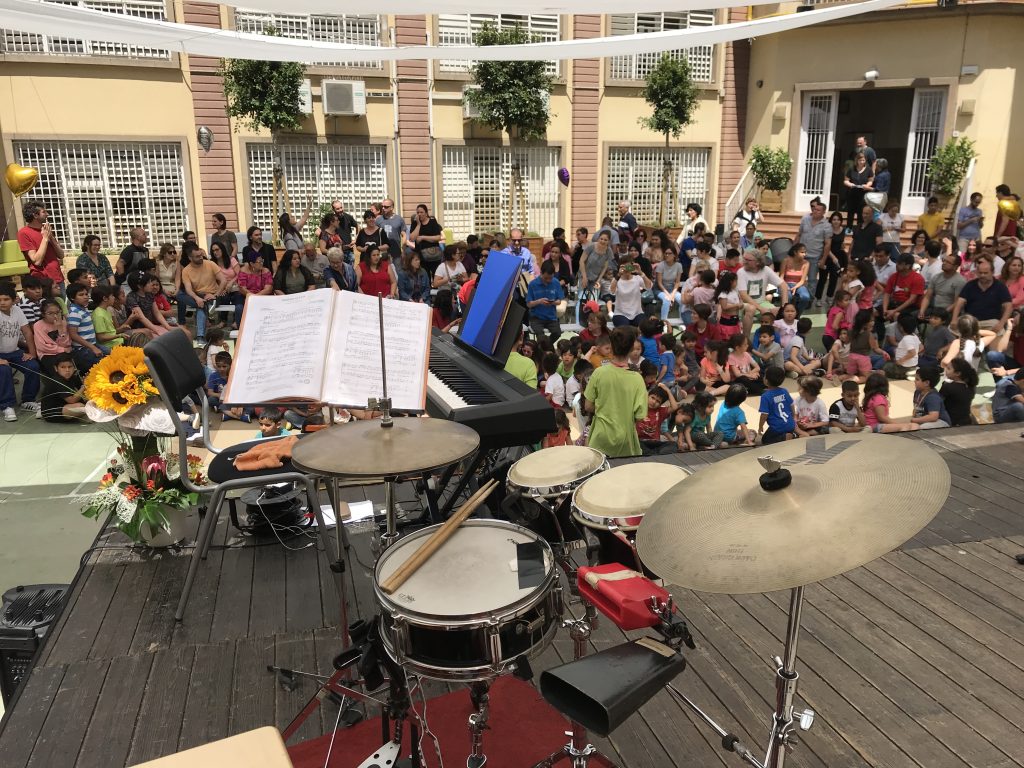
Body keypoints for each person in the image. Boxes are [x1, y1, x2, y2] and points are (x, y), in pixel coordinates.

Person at [584, 326, 647, 458]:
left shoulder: (599, 373)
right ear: (631, 348)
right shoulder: (637, 379)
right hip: (625, 439)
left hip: (600, 436)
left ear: (611, 346)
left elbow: (588, 406)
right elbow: (640, 416)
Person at [0, 283, 41, 420]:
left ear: (13, 300)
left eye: (6, 299)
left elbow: (27, 332)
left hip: (14, 351)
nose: (2, 302)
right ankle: (6, 406)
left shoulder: (17, 310)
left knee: (33, 366)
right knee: (3, 370)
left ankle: (28, 400)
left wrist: (32, 353)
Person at [178, 243, 229, 343]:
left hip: (213, 295)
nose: (201, 257)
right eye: (197, 256)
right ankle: (204, 305)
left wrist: (215, 295)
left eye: (201, 255)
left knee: (201, 306)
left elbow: (223, 280)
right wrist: (197, 298)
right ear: (190, 258)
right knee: (179, 295)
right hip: (198, 296)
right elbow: (188, 289)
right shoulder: (186, 270)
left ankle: (200, 336)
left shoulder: (210, 264)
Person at [951, 257, 1013, 334]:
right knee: (952, 328)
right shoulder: (970, 285)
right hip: (970, 321)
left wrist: (1001, 323)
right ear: (977, 273)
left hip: (991, 322)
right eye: (980, 273)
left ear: (992, 272)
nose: (982, 275)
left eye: (985, 273)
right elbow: (959, 303)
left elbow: (1008, 307)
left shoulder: (1000, 287)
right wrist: (954, 319)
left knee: (1000, 331)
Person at [18, 200, 66, 292]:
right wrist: (45, 238)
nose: (47, 214)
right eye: (44, 212)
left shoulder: (46, 230)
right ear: (35, 215)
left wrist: (51, 237)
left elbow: (61, 255)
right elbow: (37, 261)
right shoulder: (24, 233)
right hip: (42, 281)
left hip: (58, 278)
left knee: (62, 301)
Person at [737, 250, 788, 335]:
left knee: (780, 311)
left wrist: (784, 306)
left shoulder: (766, 270)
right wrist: (761, 309)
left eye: (748, 260)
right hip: (744, 304)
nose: (744, 261)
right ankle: (745, 338)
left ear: (757, 262)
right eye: (744, 259)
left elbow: (783, 286)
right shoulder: (741, 272)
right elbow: (743, 295)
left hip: (762, 302)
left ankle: (771, 337)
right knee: (751, 309)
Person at [65, 282, 105, 372]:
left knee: (112, 353)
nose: (85, 297)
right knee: (104, 364)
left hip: (92, 345)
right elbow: (73, 334)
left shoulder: (83, 309)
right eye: (81, 295)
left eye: (86, 294)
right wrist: (92, 348)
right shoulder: (75, 313)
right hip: (82, 349)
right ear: (72, 298)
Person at [796, 197, 830, 299]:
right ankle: (796, 298)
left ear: (823, 212)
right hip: (800, 256)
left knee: (811, 280)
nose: (815, 211)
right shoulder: (805, 219)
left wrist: (823, 259)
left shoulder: (827, 225)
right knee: (797, 277)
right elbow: (799, 234)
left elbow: (827, 244)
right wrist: (792, 250)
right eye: (814, 209)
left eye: (818, 210)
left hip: (814, 257)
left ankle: (809, 300)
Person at [845, 309, 888, 383]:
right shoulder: (869, 335)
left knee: (850, 374)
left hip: (852, 357)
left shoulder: (850, 332)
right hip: (863, 358)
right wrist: (883, 352)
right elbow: (875, 349)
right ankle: (853, 380)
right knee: (866, 377)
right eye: (871, 320)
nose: (873, 322)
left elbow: (846, 341)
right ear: (865, 323)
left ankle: (842, 377)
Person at [919, 251, 966, 318]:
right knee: (912, 316)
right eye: (944, 260)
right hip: (934, 309)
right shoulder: (936, 277)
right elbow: (927, 297)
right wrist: (922, 311)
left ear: (955, 267)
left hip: (949, 312)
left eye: (948, 262)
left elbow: (957, 303)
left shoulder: (960, 281)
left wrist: (943, 313)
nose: (944, 263)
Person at [526, 261, 565, 343]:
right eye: (546, 278)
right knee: (541, 336)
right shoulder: (532, 284)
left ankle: (546, 346)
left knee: (557, 333)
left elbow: (559, 301)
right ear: (541, 273)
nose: (548, 280)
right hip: (536, 318)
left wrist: (552, 302)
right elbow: (529, 304)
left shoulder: (556, 282)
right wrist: (539, 301)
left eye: (550, 278)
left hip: (551, 317)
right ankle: (545, 346)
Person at [32, 299, 72, 377]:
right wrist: (62, 349)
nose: (55, 316)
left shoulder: (63, 322)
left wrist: (60, 329)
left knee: (72, 365)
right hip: (47, 353)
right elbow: (42, 346)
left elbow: (67, 343)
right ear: (43, 314)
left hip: (64, 351)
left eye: (57, 312)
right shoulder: (38, 325)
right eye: (50, 313)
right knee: (58, 370)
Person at [636, 384, 679, 456]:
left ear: (660, 404)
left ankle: (652, 454)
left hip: (655, 442)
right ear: (647, 396)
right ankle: (655, 455)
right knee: (638, 446)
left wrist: (668, 391)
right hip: (640, 442)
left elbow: (674, 407)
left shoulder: (660, 411)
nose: (654, 402)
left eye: (658, 401)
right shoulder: (639, 407)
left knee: (673, 444)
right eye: (652, 398)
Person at [758, 366, 797, 444]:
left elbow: (764, 414)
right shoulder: (784, 391)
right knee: (777, 432)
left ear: (766, 380)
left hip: (777, 427)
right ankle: (792, 434)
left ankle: (785, 437)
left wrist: (760, 426)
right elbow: (792, 405)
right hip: (790, 424)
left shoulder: (765, 396)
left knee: (765, 440)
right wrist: (793, 417)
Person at [816, 211, 848, 306]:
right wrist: (832, 257)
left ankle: (829, 297)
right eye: (834, 219)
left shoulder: (843, 230)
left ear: (841, 221)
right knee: (822, 279)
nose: (836, 221)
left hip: (838, 257)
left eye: (838, 219)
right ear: (831, 220)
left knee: (834, 278)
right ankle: (818, 298)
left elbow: (841, 242)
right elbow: (825, 245)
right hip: (826, 256)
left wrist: (843, 247)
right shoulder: (827, 230)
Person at [579, 230, 616, 310]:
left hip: (595, 278)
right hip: (584, 275)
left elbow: (605, 267)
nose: (603, 241)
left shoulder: (608, 251)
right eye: (601, 239)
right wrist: (584, 277)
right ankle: (580, 316)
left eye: (605, 240)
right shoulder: (591, 246)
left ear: (608, 241)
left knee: (593, 301)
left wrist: (599, 280)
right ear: (598, 238)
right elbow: (581, 261)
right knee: (582, 299)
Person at [882, 253, 926, 322]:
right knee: (875, 312)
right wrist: (884, 310)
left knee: (897, 315)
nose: (896, 265)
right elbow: (887, 294)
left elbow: (912, 300)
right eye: (897, 262)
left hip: (910, 306)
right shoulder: (893, 276)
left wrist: (894, 311)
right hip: (895, 303)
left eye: (900, 264)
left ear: (908, 266)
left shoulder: (917, 278)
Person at [610, 259, 650, 328]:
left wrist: (641, 273)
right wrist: (619, 275)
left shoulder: (637, 278)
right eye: (624, 267)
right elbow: (612, 291)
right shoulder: (617, 279)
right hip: (620, 314)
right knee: (625, 328)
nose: (627, 269)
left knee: (644, 327)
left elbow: (649, 286)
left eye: (629, 267)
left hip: (637, 313)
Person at [940, 357, 977, 427]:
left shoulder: (947, 387)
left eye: (948, 368)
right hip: (966, 420)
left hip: (950, 421)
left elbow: (938, 403)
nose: (945, 370)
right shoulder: (971, 387)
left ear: (957, 373)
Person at [410, 204, 445, 276]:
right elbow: (412, 238)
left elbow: (438, 237)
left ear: (426, 213)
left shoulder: (432, 222)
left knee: (436, 274)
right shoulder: (415, 223)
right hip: (421, 255)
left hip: (434, 254)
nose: (419, 214)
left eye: (421, 212)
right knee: (424, 275)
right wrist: (418, 225)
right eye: (418, 212)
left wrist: (423, 237)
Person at [843, 152, 873, 229]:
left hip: (863, 194)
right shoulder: (851, 169)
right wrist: (851, 184)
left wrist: (867, 186)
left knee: (861, 212)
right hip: (852, 194)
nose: (862, 162)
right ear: (856, 160)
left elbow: (870, 181)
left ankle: (859, 228)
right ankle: (849, 228)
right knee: (850, 212)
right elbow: (846, 181)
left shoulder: (869, 170)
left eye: (863, 160)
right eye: (860, 160)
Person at [780, 244, 811, 313]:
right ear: (795, 252)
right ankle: (785, 314)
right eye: (802, 252)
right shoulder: (786, 261)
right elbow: (781, 277)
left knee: (805, 297)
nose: (804, 254)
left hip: (799, 284)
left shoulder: (806, 263)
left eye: (805, 252)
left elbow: (802, 280)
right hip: (786, 283)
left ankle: (797, 314)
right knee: (788, 296)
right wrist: (786, 286)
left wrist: (795, 287)